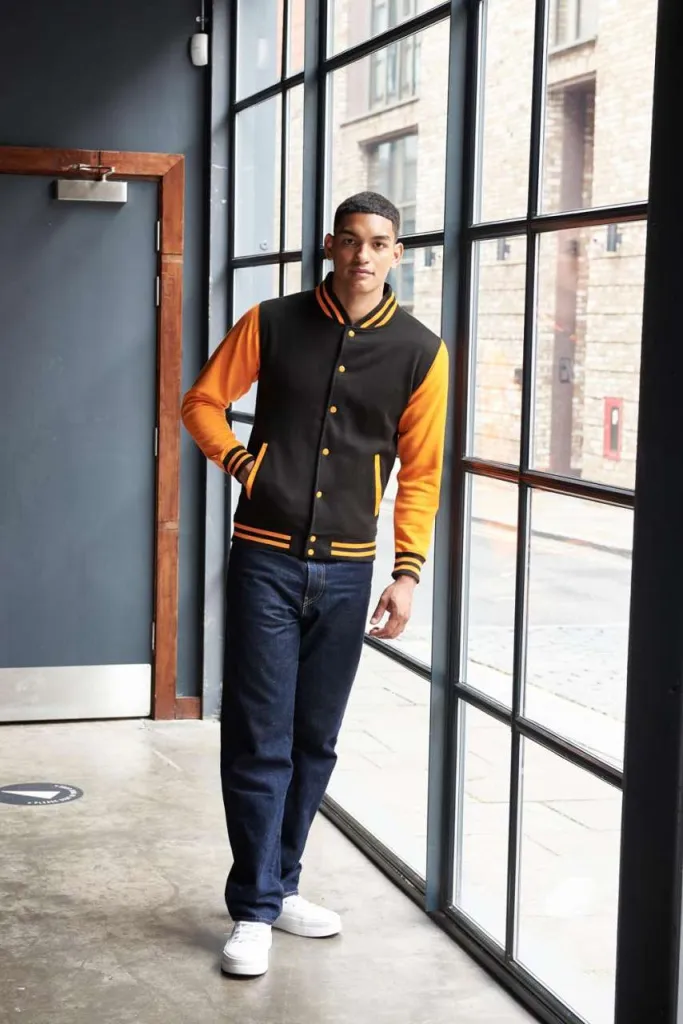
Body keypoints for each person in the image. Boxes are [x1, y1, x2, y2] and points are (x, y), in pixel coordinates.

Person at [181, 191, 449, 977]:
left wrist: (406, 572)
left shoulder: (420, 352)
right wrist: (242, 463)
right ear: (330, 246)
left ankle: (281, 882)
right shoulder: (271, 322)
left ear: (397, 253)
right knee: (257, 737)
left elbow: (421, 472)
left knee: (314, 740)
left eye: (379, 242)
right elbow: (201, 402)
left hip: (347, 570)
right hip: (263, 559)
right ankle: (254, 909)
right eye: (350, 240)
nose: (363, 255)